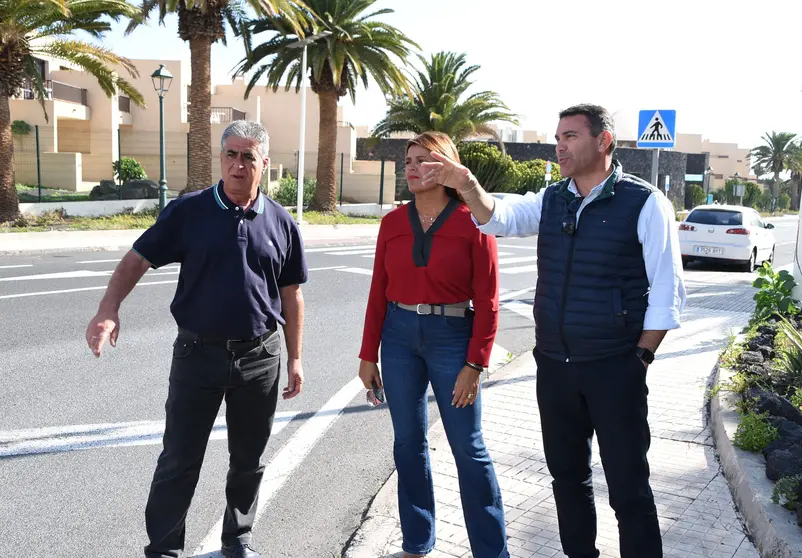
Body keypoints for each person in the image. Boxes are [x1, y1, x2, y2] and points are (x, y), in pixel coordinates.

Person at [418, 105, 686, 558]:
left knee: (628, 489)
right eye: (557, 137)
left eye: (571, 136)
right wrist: (465, 184)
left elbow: (667, 292)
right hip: (556, 367)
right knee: (568, 480)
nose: (559, 145)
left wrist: (638, 359)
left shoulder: (644, 203)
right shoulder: (551, 199)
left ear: (603, 142)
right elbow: (498, 217)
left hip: (613, 367)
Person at [84, 120, 307, 558]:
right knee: (179, 460)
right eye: (231, 155)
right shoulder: (190, 211)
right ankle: (165, 549)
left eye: (248, 156)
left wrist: (296, 358)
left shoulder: (282, 223)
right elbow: (137, 260)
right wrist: (108, 309)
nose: (238, 164)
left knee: (248, 460)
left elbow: (291, 295)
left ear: (265, 163)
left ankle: (238, 539)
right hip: (197, 354)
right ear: (221, 158)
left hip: (261, 356)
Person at [358, 131, 508, 558]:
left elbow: (489, 300)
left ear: (447, 168)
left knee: (469, 447)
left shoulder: (475, 223)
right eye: (409, 159)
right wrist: (368, 355)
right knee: (408, 443)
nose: (412, 166)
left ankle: (491, 552)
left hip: (453, 339)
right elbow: (377, 291)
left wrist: (475, 364)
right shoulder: (391, 223)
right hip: (399, 337)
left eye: (424, 159)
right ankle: (417, 543)